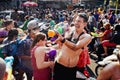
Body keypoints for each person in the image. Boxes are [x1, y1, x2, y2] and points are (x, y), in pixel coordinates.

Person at [53, 13, 92, 80]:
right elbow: (62, 45)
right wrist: (50, 46)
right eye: (76, 21)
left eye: (79, 21)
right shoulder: (69, 30)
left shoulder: (86, 36)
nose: (76, 23)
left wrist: (63, 40)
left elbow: (75, 47)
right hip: (59, 65)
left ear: (85, 24)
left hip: (71, 69)